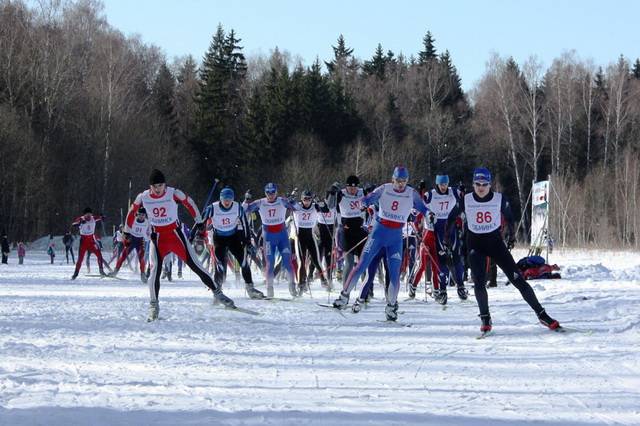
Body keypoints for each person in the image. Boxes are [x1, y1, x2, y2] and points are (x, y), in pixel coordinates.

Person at [444, 167, 561, 333]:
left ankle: (542, 315)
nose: (481, 187)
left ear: (490, 184)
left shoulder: (499, 198)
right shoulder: (466, 199)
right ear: (473, 184)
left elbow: (510, 218)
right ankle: (485, 318)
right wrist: (447, 239)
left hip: (496, 244)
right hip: (475, 245)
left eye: (484, 184)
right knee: (479, 282)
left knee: (518, 280)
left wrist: (511, 237)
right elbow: (450, 218)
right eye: (477, 184)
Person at [126, 169, 235, 321]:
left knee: (196, 266)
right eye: (155, 186)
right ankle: (153, 305)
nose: (158, 189)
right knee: (154, 272)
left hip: (176, 236)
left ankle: (218, 293)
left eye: (160, 185)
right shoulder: (143, 197)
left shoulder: (173, 193)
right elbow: (131, 212)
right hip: (157, 238)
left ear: (165, 185)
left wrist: (199, 220)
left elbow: (188, 202)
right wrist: (126, 232)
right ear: (150, 186)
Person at [333, 166, 430, 321]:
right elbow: (368, 198)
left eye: (403, 181)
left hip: (396, 237)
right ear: (393, 179)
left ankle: (391, 307)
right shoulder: (384, 188)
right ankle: (344, 297)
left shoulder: (411, 193)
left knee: (394, 275)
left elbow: (422, 207)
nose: (400, 184)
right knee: (361, 265)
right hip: (378, 233)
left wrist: (429, 214)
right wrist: (363, 204)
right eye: (398, 181)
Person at [202, 187, 264, 299]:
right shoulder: (213, 208)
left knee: (244, 263)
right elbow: (202, 221)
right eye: (225, 199)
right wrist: (200, 230)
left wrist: (247, 242)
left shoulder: (238, 207)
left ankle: (250, 288)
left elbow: (245, 225)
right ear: (221, 199)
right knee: (220, 266)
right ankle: (218, 292)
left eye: (229, 199)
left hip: (233, 238)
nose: (227, 202)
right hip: (219, 239)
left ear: (233, 199)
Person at [243, 183, 299, 298]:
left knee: (287, 262)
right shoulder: (260, 202)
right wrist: (246, 200)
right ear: (265, 193)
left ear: (276, 192)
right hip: (268, 237)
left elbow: (297, 209)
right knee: (270, 263)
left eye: (273, 192)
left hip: (282, 236)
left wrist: (292, 201)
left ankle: (292, 286)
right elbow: (243, 211)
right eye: (268, 192)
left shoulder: (282, 201)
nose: (270, 195)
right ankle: (270, 289)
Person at [419, 174, 467, 304]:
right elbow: (420, 203)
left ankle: (461, 287)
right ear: (437, 184)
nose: (444, 187)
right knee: (443, 259)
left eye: (445, 184)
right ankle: (442, 290)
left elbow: (464, 198)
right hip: (438, 229)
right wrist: (421, 191)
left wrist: (463, 191)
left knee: (457, 257)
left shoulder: (453, 191)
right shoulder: (431, 194)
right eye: (441, 184)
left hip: (451, 227)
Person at [327, 175, 368, 288]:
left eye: (355, 188)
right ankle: (345, 292)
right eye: (350, 188)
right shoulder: (341, 193)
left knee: (363, 262)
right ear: (347, 187)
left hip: (360, 231)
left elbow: (372, 204)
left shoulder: (362, 192)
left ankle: (366, 292)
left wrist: (370, 192)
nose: (353, 190)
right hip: (346, 232)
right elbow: (330, 206)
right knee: (349, 263)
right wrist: (331, 193)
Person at [292, 190, 329, 294]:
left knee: (317, 260)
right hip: (300, 237)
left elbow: (325, 210)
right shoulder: (297, 206)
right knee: (302, 262)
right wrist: (291, 197)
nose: (306, 201)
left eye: (308, 199)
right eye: (304, 199)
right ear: (301, 199)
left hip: (310, 236)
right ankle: (300, 284)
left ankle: (323, 281)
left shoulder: (314, 206)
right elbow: (289, 204)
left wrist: (319, 202)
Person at [110, 207, 151, 282]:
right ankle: (115, 271)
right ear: (137, 214)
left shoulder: (147, 222)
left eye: (143, 215)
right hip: (132, 239)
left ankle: (142, 274)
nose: (141, 216)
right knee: (123, 256)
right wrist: (126, 238)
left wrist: (148, 238)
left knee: (141, 258)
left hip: (140, 241)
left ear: (145, 215)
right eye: (140, 215)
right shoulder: (133, 219)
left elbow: (149, 232)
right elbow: (126, 228)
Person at [71, 208, 106, 279]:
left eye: (90, 214)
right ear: (84, 214)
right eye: (87, 214)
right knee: (80, 259)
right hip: (83, 242)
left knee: (99, 255)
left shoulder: (93, 218)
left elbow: (101, 217)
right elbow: (73, 224)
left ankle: (101, 270)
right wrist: (80, 223)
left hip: (91, 241)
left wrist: (103, 217)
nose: (89, 216)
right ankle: (76, 273)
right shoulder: (81, 219)